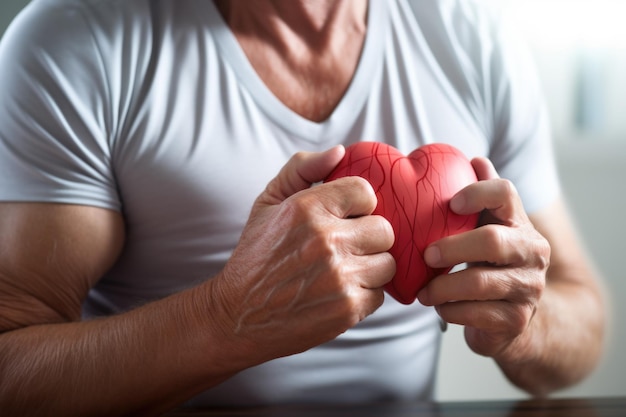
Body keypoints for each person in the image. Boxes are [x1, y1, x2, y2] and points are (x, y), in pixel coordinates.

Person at [0, 0, 606, 416]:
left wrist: (524, 324)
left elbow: (584, 318)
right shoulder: (74, 43)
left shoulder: (471, 34)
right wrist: (226, 317)